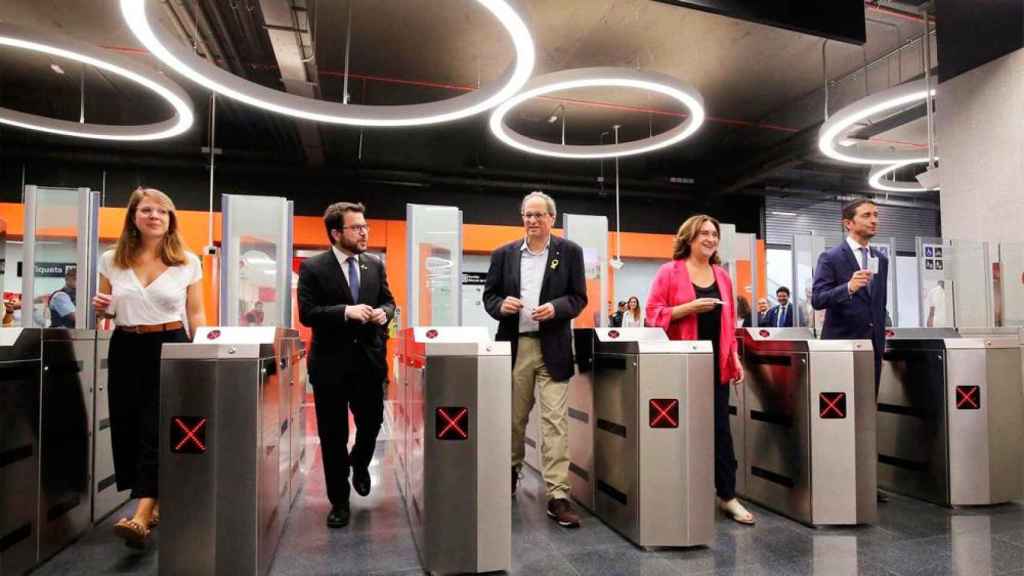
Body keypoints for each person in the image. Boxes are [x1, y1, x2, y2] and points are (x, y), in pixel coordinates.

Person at [92, 187, 205, 548]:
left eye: (162, 211)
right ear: (133, 217)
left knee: (156, 426)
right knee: (126, 424)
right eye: (146, 210)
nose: (154, 216)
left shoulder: (187, 261)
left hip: (169, 344)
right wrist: (102, 308)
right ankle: (152, 500)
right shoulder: (111, 259)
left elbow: (196, 313)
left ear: (171, 219)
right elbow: (107, 308)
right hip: (126, 345)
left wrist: (198, 351)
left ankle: (141, 515)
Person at [483, 191, 587, 528]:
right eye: (527, 215)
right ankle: (510, 473)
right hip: (517, 346)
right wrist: (501, 306)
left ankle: (557, 494)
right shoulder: (504, 255)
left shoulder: (570, 253)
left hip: (554, 347)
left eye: (539, 215)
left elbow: (578, 298)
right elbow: (489, 296)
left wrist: (557, 308)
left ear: (551, 219)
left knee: (555, 422)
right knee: (514, 419)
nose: (532, 221)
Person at [646, 214, 754, 525]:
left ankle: (728, 496)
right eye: (703, 233)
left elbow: (729, 322)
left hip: (715, 364)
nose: (710, 238)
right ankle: (677, 490)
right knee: (679, 429)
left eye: (714, 234)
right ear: (689, 238)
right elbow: (652, 316)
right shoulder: (669, 272)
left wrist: (733, 356)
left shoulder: (722, 275)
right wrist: (687, 309)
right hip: (680, 364)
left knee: (721, 429)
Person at [298, 202, 394, 529]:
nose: (365, 231)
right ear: (337, 233)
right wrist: (344, 312)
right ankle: (339, 501)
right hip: (330, 365)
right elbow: (307, 314)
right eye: (356, 227)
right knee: (332, 435)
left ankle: (361, 462)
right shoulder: (313, 267)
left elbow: (388, 300)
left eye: (365, 225)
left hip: (369, 362)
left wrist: (385, 313)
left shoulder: (375, 265)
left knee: (372, 423)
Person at [811, 199, 888, 501]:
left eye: (876, 215)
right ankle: (836, 479)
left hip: (872, 348)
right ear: (848, 222)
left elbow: (878, 303)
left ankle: (866, 480)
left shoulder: (881, 258)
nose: (874, 220)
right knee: (838, 415)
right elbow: (818, 298)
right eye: (867, 215)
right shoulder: (831, 257)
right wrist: (848, 288)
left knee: (867, 415)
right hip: (841, 347)